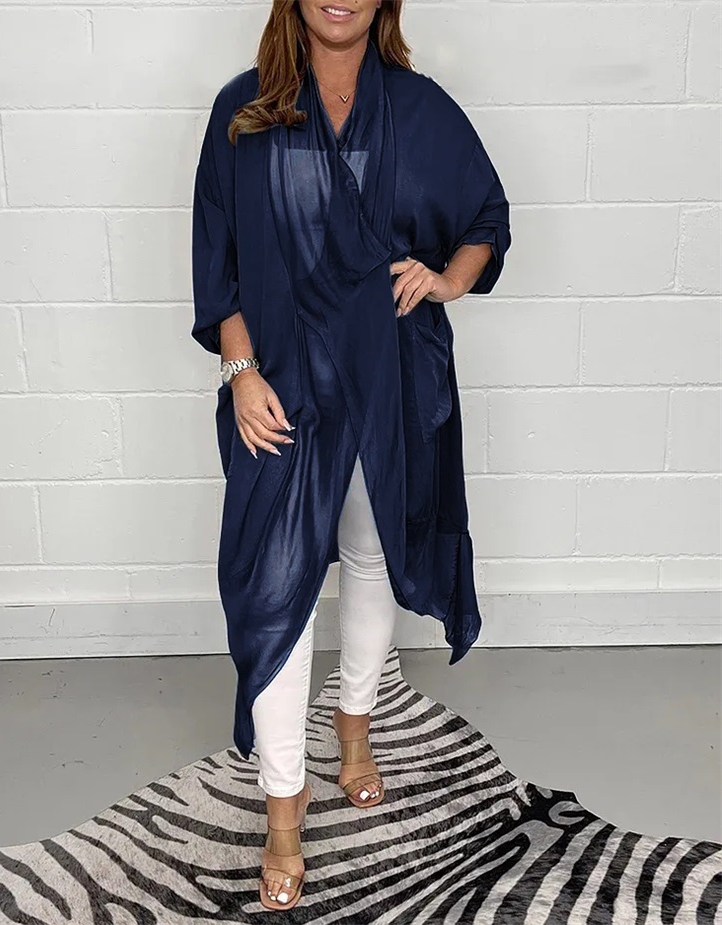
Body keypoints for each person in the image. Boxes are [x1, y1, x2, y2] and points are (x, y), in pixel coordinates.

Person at [191, 0, 510, 910]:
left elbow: (486, 215)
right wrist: (241, 372)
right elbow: (218, 260)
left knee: (371, 555)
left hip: (391, 375)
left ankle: (356, 725)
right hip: (282, 384)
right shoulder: (242, 110)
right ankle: (283, 807)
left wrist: (446, 279)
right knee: (278, 584)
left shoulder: (418, 107)